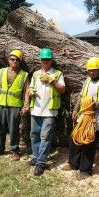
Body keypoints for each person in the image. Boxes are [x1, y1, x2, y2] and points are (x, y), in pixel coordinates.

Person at [66, 56, 99, 179]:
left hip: (94, 120)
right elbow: (81, 96)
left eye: (94, 70)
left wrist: (94, 104)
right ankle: (73, 164)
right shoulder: (87, 81)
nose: (91, 72)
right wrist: (76, 110)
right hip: (82, 117)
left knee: (89, 145)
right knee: (75, 139)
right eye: (89, 70)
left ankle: (85, 171)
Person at [28, 48, 65, 176]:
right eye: (43, 59)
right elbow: (30, 87)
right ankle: (36, 156)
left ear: (51, 60)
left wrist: (52, 81)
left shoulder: (57, 74)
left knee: (45, 137)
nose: (45, 61)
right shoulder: (35, 74)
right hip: (36, 110)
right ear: (40, 60)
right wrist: (30, 91)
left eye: (47, 59)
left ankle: (41, 163)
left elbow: (62, 90)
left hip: (49, 111)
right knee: (34, 135)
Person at [0, 49, 29, 161]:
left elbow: (26, 92)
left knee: (14, 130)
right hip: (2, 104)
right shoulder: (2, 71)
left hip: (15, 106)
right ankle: (0, 148)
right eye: (13, 59)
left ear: (20, 61)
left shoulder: (24, 75)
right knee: (1, 128)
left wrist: (26, 107)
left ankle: (15, 150)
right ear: (9, 60)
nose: (15, 61)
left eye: (17, 59)